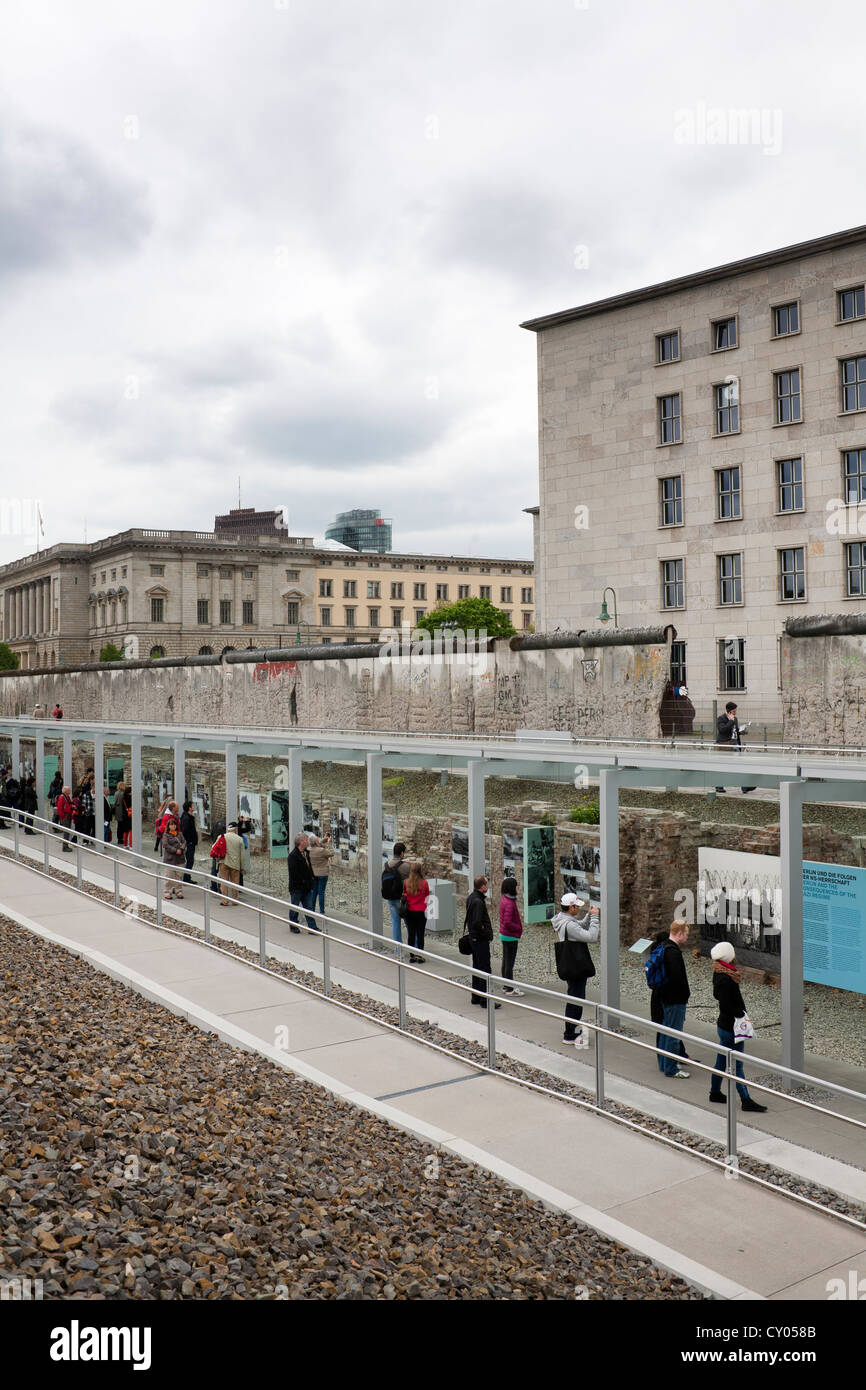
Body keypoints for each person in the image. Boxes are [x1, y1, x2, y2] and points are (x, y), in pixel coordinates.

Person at [708, 941, 767, 1112]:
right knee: (737, 1065)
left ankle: (715, 1092)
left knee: (721, 1061)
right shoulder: (727, 978)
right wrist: (740, 1014)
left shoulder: (719, 972)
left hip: (724, 1026)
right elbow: (727, 1004)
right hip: (731, 1028)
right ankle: (746, 1099)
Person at [550, 892, 599, 1047]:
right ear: (570, 907)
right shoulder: (569, 925)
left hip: (570, 965)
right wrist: (595, 919)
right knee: (576, 999)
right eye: (576, 906)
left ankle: (571, 1031)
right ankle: (570, 1034)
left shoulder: (563, 919)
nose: (578, 908)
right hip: (576, 966)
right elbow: (591, 936)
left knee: (574, 997)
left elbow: (578, 925)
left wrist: (588, 917)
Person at [648, 922, 692, 1079]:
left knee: (666, 1031)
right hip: (675, 999)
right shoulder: (673, 952)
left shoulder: (663, 947)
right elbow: (677, 979)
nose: (687, 936)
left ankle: (664, 1063)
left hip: (664, 997)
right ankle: (671, 1068)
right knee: (673, 1033)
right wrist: (684, 996)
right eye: (686, 933)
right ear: (679, 933)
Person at [465, 875, 500, 1010]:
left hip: (473, 938)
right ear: (482, 886)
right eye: (487, 883)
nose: (488, 886)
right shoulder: (479, 901)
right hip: (479, 940)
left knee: (477, 966)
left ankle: (476, 996)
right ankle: (485, 1000)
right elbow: (477, 922)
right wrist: (487, 934)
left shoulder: (471, 898)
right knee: (485, 968)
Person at [714, 700, 755, 795]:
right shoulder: (721, 718)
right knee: (723, 766)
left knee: (740, 765)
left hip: (735, 744)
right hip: (725, 745)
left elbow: (735, 731)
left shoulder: (735, 719)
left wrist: (742, 731)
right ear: (729, 711)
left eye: (735, 711)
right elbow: (722, 730)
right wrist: (731, 721)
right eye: (734, 711)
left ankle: (745, 787)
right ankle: (719, 786)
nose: (735, 712)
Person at [382, 841, 411, 953]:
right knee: (409, 923)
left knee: (395, 923)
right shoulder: (406, 867)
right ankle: (413, 947)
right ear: (402, 853)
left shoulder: (385, 865)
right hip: (403, 899)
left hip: (390, 898)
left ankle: (397, 949)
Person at [498, 876, 524, 996]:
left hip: (505, 935)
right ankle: (509, 988)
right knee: (509, 963)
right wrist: (518, 928)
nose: (518, 888)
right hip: (510, 936)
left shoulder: (505, 899)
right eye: (516, 886)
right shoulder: (509, 903)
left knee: (506, 961)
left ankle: (505, 984)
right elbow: (508, 922)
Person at [287, 832, 317, 931]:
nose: (308, 842)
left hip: (307, 886)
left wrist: (312, 878)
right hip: (297, 887)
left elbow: (309, 868)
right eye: (306, 840)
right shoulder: (293, 856)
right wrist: (304, 881)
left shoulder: (306, 853)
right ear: (301, 842)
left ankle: (312, 927)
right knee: (295, 907)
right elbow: (294, 873)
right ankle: (293, 925)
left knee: (309, 908)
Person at [402, 862, 430, 964]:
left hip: (410, 911)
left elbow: (404, 895)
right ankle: (420, 955)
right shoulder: (424, 883)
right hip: (421, 911)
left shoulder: (406, 882)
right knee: (420, 934)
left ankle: (412, 955)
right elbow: (427, 896)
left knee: (411, 934)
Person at [218, 821, 246, 905]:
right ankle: (235, 900)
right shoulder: (239, 839)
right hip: (235, 864)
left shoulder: (221, 837)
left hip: (223, 862)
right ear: (235, 829)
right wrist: (242, 866)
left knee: (224, 881)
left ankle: (224, 900)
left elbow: (214, 847)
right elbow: (242, 855)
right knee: (235, 882)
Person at [308, 833, 335, 916]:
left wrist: (324, 839)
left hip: (313, 873)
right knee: (321, 892)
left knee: (314, 892)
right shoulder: (321, 851)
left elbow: (316, 844)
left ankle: (311, 909)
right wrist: (329, 843)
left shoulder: (308, 849)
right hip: (323, 873)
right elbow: (331, 853)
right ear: (316, 842)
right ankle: (322, 911)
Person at [161, 816, 187, 899]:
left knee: (179, 876)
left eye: (174, 825)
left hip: (180, 858)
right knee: (169, 876)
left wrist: (181, 849)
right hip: (170, 859)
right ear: (168, 826)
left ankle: (178, 891)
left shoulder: (180, 834)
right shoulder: (166, 835)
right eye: (171, 825)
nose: (173, 826)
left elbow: (184, 842)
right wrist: (175, 850)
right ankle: (167, 892)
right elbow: (165, 845)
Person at [180, 800, 198, 883]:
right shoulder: (187, 818)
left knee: (190, 860)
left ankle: (187, 876)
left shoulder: (187, 817)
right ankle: (186, 878)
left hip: (190, 842)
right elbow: (185, 831)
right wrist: (189, 841)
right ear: (189, 808)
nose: (193, 807)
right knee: (190, 860)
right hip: (189, 843)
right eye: (192, 806)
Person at [55, 784, 75, 852]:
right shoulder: (62, 797)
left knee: (67, 831)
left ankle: (66, 845)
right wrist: (62, 816)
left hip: (68, 815)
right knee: (66, 832)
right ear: (65, 791)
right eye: (69, 790)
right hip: (65, 816)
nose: (70, 791)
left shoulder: (67, 797)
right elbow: (60, 808)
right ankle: (65, 846)